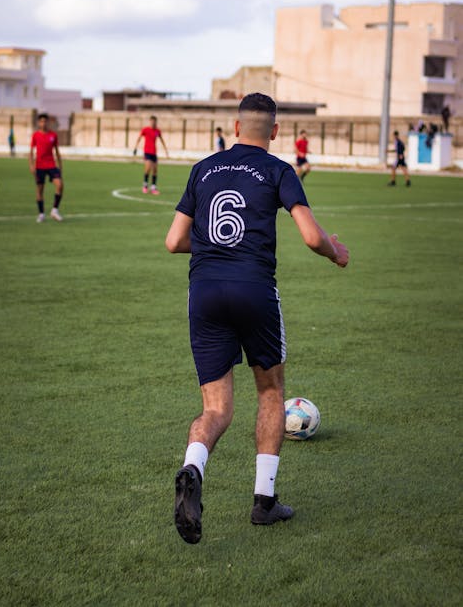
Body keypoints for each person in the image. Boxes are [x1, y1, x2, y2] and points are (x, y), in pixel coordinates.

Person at [165, 92, 349, 545]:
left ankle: (193, 466)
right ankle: (264, 502)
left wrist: (214, 247)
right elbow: (310, 236)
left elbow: (173, 241)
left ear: (234, 126)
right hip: (253, 289)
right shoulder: (278, 169)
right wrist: (335, 251)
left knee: (216, 408)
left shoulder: (203, 168)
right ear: (275, 131)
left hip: (204, 292)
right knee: (269, 391)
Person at [29, 113, 64, 222]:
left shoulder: (53, 135)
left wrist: (60, 165)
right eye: (41, 121)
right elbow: (31, 152)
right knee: (40, 190)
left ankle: (54, 210)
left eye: (45, 121)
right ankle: (41, 214)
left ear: (48, 122)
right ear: (38, 123)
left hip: (51, 165)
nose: (43, 123)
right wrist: (31, 165)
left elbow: (57, 152)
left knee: (60, 185)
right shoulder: (35, 135)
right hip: (39, 166)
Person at [133, 115, 169, 195]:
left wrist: (166, 150)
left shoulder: (157, 131)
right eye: (152, 121)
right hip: (147, 152)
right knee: (148, 169)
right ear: (150, 121)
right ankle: (145, 186)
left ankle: (153, 188)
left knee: (155, 171)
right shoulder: (145, 130)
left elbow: (161, 140)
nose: (153, 123)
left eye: (154, 121)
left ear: (156, 122)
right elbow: (139, 138)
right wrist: (135, 147)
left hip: (154, 153)